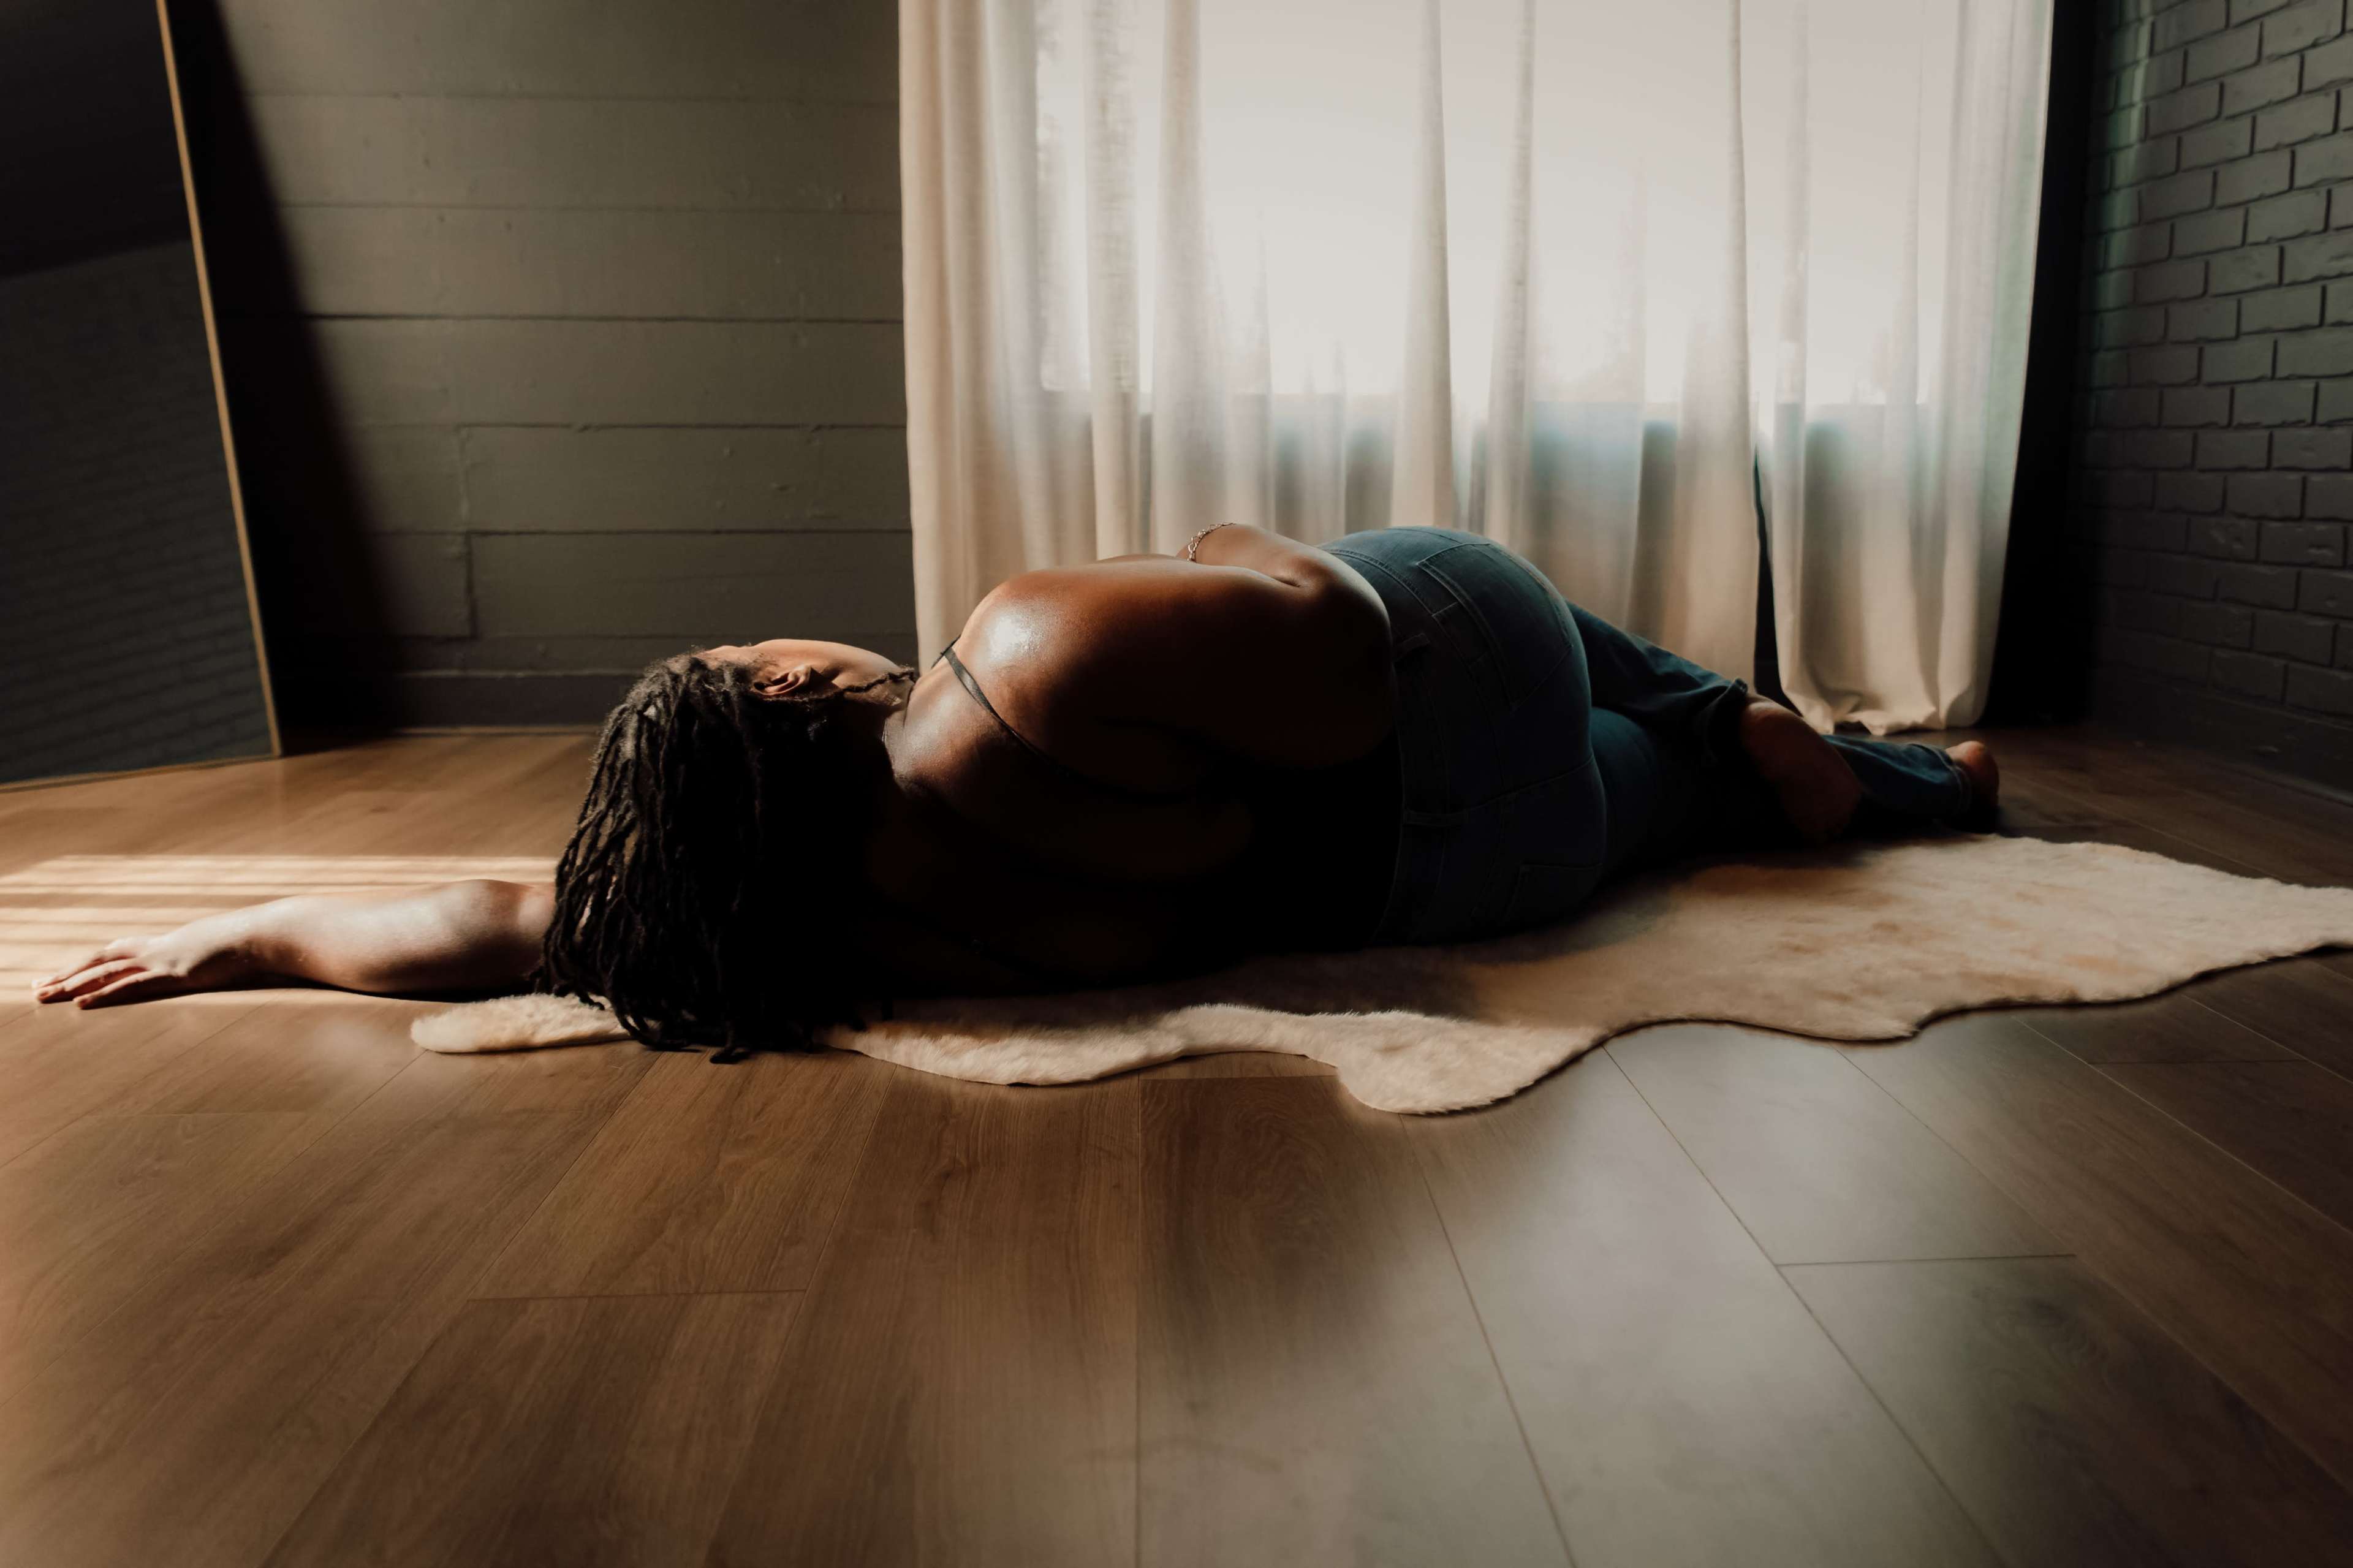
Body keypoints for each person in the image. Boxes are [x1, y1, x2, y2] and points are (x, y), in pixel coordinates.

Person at [35, 525, 1996, 1053]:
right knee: (1425, 578)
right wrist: (1244, 531)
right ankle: (1760, 716)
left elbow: (476, 921)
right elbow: (1350, 635)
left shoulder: (786, 915)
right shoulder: (1015, 660)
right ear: (788, 684)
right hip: (1461, 700)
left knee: (1654, 789)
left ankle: (1869, 776)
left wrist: (232, 938)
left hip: (1475, 887)